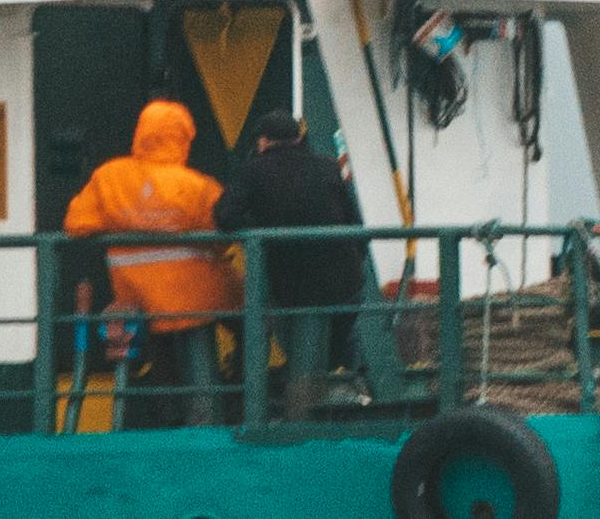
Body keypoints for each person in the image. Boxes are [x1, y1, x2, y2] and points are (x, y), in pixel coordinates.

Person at [62, 99, 239, 425]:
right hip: (192, 301)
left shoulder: (110, 177)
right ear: (182, 138)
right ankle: (206, 431)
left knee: (162, 369)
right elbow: (222, 235)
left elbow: (77, 224)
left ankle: (166, 428)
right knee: (201, 372)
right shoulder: (197, 187)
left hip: (138, 300)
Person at [217, 113, 384, 414]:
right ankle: (357, 398)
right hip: (344, 280)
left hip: (290, 283)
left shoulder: (252, 172)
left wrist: (260, 234)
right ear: (298, 138)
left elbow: (225, 217)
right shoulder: (327, 167)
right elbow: (354, 221)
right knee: (342, 341)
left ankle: (301, 416)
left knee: (301, 354)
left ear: (263, 140)